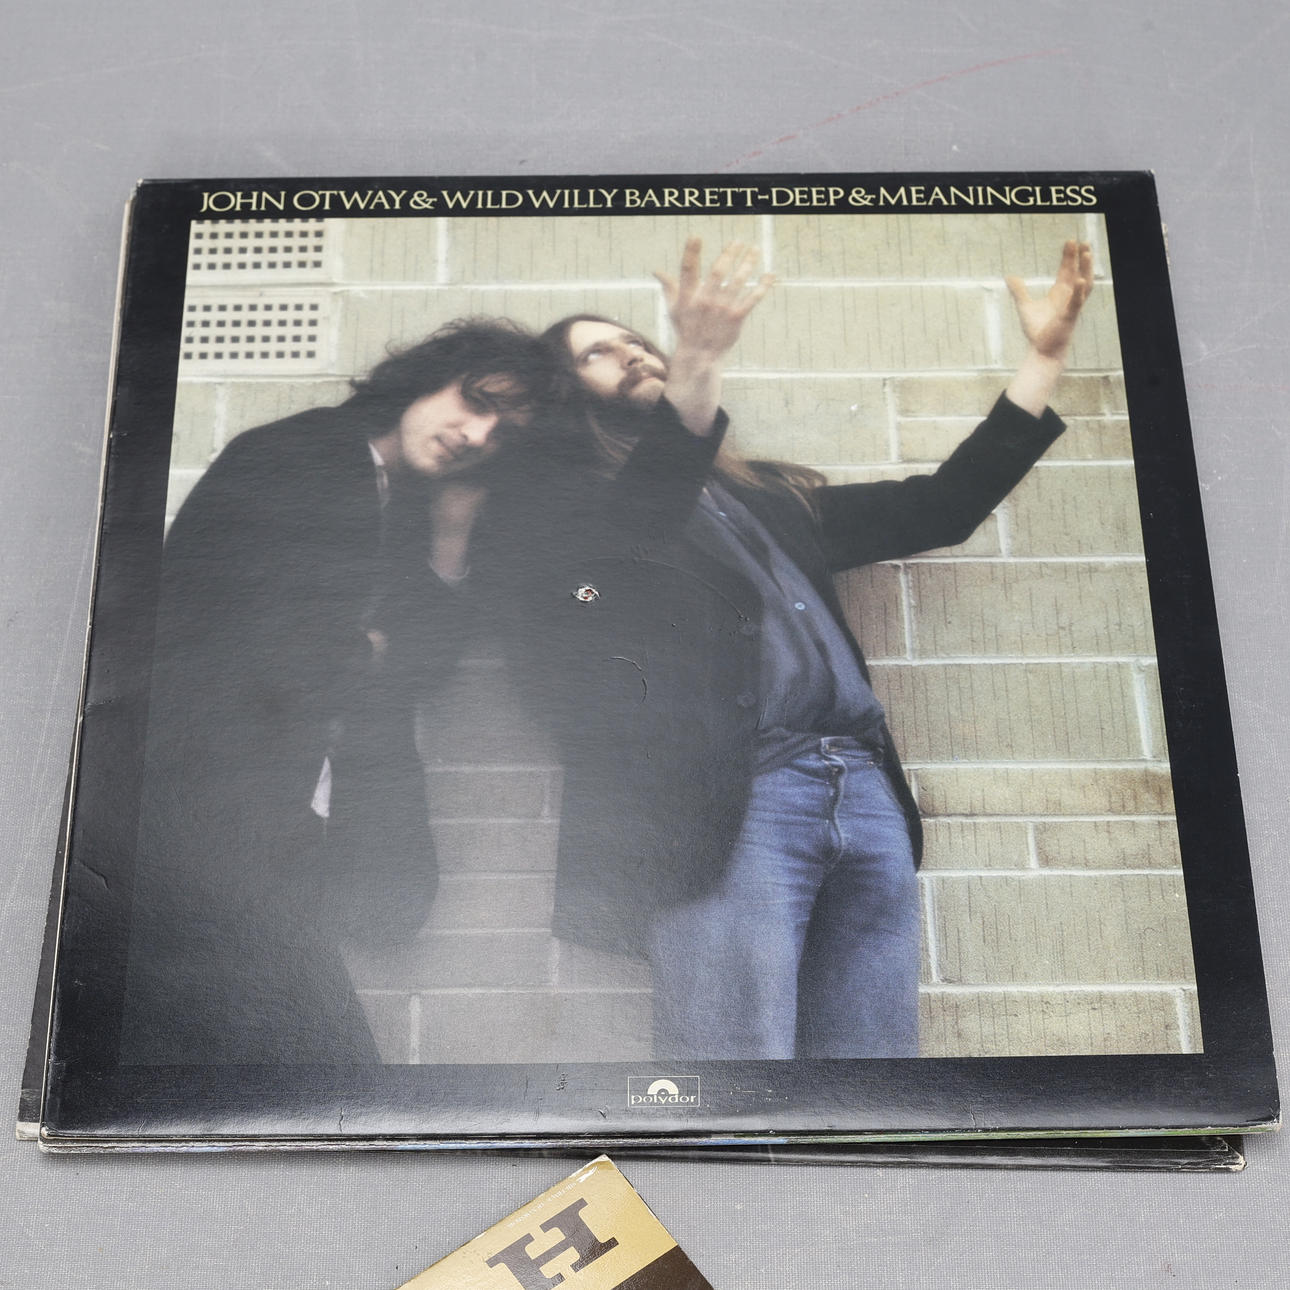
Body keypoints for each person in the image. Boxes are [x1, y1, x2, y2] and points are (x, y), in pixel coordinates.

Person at [480, 237, 1093, 1061]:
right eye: (597, 353)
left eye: (636, 341)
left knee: (872, 1083)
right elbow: (637, 528)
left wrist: (1043, 361)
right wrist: (699, 362)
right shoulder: (566, 521)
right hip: (731, 807)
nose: (630, 353)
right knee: (733, 1076)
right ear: (565, 392)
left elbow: (941, 508)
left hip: (861, 789)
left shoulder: (764, 497)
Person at [121, 319, 555, 1065]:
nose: (478, 434)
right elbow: (241, 637)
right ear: (427, 377)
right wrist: (365, 651)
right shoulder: (300, 453)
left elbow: (418, 668)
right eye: (476, 400)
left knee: (240, 1064)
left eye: (503, 433)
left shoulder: (398, 502)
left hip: (274, 827)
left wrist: (452, 533)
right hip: (199, 816)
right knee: (317, 1064)